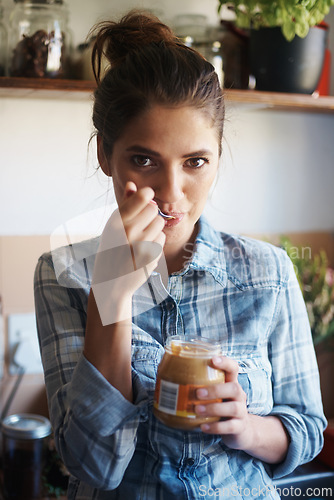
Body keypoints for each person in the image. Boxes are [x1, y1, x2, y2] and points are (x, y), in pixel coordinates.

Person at [34, 11, 326, 500]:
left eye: (195, 162)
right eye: (144, 160)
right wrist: (111, 294)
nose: (172, 193)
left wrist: (245, 426)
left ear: (217, 153)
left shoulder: (268, 272)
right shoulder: (63, 273)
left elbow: (308, 429)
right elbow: (92, 464)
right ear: (107, 153)